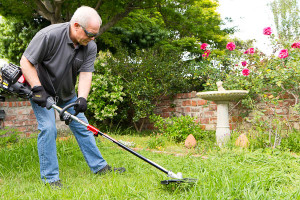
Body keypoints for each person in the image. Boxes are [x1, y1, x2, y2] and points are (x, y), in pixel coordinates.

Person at [20, 6, 125, 188]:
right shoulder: (49, 35)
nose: (93, 39)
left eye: (95, 35)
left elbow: (85, 73)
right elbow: (25, 61)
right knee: (48, 129)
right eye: (90, 34)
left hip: (67, 93)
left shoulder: (89, 46)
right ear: (76, 26)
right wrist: (37, 89)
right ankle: (50, 179)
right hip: (42, 91)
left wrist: (82, 98)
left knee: (83, 126)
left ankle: (100, 167)